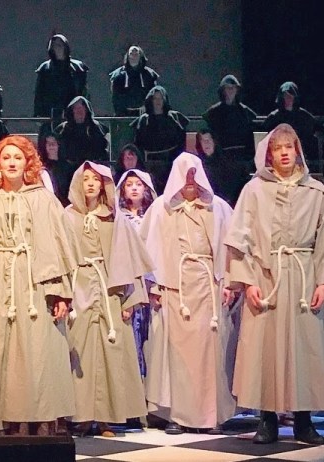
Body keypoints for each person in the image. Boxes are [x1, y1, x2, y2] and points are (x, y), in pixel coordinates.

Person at [224, 124, 324, 445]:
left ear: (297, 151)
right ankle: (267, 420)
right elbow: (239, 239)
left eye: (289, 147)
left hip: (303, 278)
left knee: (304, 350)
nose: (284, 153)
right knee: (264, 350)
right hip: (266, 278)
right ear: (269, 154)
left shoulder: (316, 192)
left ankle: (304, 421)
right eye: (277, 148)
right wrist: (247, 282)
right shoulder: (254, 190)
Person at [0, 135, 77, 435]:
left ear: (28, 163)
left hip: (34, 281)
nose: (11, 163)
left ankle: (37, 416)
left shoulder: (44, 199)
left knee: (35, 348)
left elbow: (59, 247)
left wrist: (61, 291)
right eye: (5, 158)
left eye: (18, 157)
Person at [141, 152, 237, 434]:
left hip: (208, 286)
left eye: (194, 174)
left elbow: (231, 248)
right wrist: (154, 285)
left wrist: (229, 282)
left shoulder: (218, 208)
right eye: (185, 175)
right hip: (175, 287)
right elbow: (147, 248)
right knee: (176, 353)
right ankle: (178, 415)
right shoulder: (161, 208)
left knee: (210, 353)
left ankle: (210, 416)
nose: (190, 181)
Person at [65, 162, 150, 437]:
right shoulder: (67, 216)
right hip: (79, 286)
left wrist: (130, 299)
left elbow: (128, 259)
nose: (91, 184)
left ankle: (105, 417)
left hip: (108, 286)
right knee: (80, 349)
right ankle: (81, 415)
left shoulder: (115, 218)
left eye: (96, 179)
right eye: (86, 179)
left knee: (109, 349)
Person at [116, 168, 158, 387]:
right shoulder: (118, 217)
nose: (134, 188)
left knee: (152, 335)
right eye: (129, 184)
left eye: (138, 184)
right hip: (130, 282)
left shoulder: (154, 216)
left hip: (152, 282)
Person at [202, 75, 258, 159]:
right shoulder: (213, 113)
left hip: (242, 157)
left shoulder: (245, 112)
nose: (231, 91)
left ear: (237, 90)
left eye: (233, 88)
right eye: (228, 88)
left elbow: (250, 138)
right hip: (221, 157)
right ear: (223, 91)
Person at [34, 34, 89, 118]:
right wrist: (39, 114)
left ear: (65, 47)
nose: (57, 48)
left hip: (74, 113)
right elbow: (39, 94)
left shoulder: (78, 68)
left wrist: (85, 111)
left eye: (60, 45)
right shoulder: (45, 69)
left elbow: (84, 92)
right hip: (50, 113)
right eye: (54, 46)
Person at [131, 86, 189, 160]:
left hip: (172, 159)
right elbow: (138, 144)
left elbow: (182, 141)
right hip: (149, 160)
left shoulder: (174, 117)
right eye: (155, 98)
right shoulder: (144, 119)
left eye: (160, 98)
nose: (158, 101)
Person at [263, 82, 319, 159]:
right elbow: (264, 132)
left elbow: (316, 128)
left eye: (290, 96)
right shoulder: (274, 116)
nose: (288, 99)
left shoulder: (304, 115)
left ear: (295, 98)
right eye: (285, 96)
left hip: (299, 153)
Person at [55, 96, 108, 164]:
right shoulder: (63, 128)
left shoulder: (95, 127)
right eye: (76, 108)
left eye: (81, 108)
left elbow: (102, 149)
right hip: (68, 166)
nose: (79, 111)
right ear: (72, 110)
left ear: (86, 110)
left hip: (91, 166)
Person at [110, 45, 160, 116]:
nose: (134, 57)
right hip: (123, 114)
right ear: (128, 56)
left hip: (145, 114)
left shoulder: (149, 75)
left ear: (140, 56)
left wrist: (148, 107)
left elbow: (153, 94)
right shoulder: (118, 75)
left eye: (136, 54)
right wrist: (121, 112)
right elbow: (115, 97)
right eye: (131, 54)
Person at [38, 133, 70, 205]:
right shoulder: (41, 167)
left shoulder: (68, 167)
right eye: (48, 143)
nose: (51, 145)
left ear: (59, 145)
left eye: (54, 143)